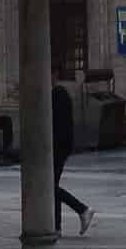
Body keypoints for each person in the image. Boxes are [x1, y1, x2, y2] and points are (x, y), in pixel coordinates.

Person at [52, 82, 94, 234]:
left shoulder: (57, 94)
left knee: (49, 187)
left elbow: (56, 125)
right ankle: (56, 227)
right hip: (59, 146)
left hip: (56, 147)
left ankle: (82, 209)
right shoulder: (59, 94)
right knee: (52, 186)